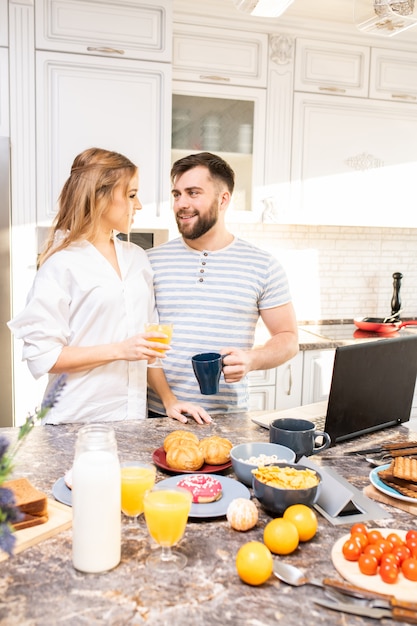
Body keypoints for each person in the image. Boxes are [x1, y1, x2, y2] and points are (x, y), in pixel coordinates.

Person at [8, 147, 210, 425]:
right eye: (130, 195)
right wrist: (120, 350)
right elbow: (44, 356)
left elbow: (149, 347)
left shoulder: (137, 259)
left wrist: (169, 401)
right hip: (75, 421)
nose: (138, 204)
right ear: (99, 196)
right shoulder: (61, 264)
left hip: (132, 420)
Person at [146, 152, 299, 416]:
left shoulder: (263, 265)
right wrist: (167, 401)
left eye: (193, 193)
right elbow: (141, 343)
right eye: (176, 194)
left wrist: (252, 359)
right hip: (158, 413)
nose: (181, 203)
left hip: (228, 416)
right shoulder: (150, 262)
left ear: (223, 199)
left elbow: (288, 339)